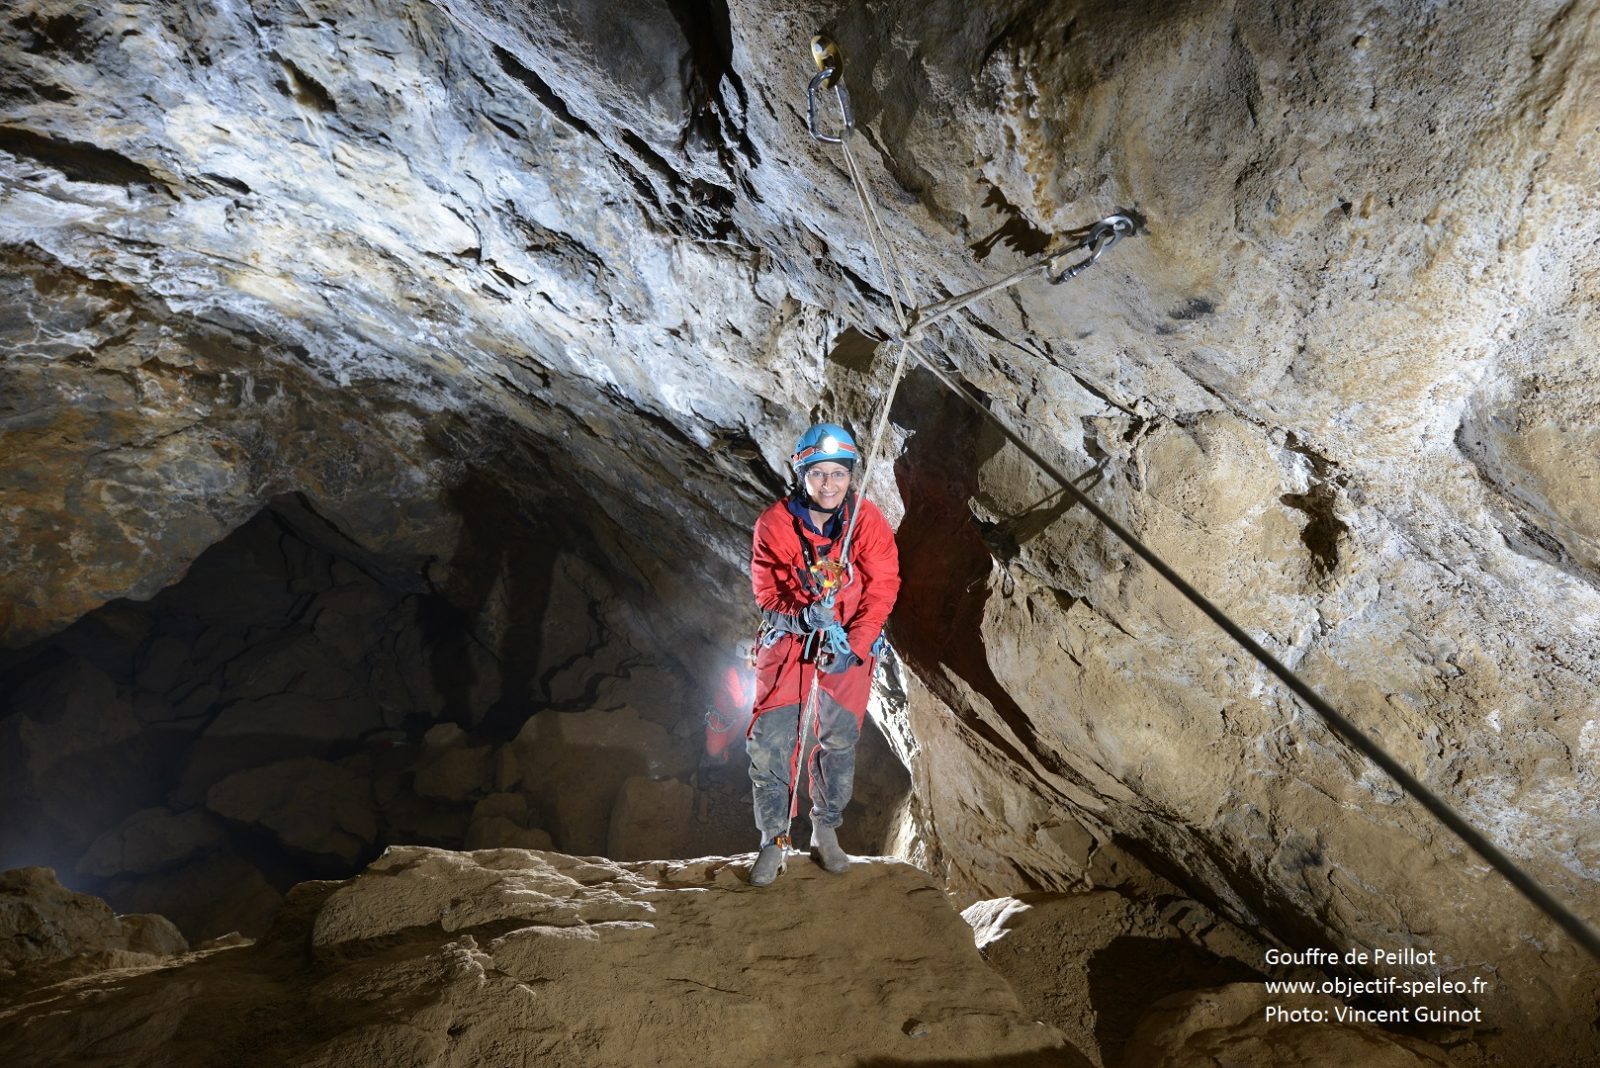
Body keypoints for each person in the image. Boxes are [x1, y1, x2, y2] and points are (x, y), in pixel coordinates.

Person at [746, 422, 900, 885]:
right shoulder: (774, 525)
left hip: (845, 641)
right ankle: (773, 839)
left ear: (850, 476)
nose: (829, 485)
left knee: (838, 740)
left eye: (838, 474)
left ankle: (825, 830)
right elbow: (766, 595)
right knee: (772, 739)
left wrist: (854, 645)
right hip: (791, 643)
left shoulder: (865, 521)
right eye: (818, 475)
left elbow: (883, 585)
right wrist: (799, 619)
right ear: (802, 475)